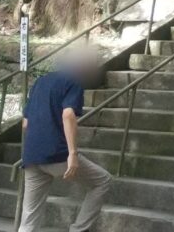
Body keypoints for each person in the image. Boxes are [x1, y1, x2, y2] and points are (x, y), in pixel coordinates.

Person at [18, 52, 111, 232]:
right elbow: (68, 114)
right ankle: (79, 229)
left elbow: (25, 123)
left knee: (29, 218)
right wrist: (73, 154)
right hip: (57, 154)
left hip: (31, 156)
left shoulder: (39, 83)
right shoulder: (72, 82)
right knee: (103, 181)